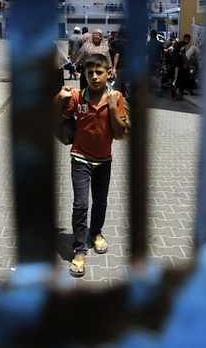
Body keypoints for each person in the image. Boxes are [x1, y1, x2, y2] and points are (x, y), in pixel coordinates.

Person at [54, 54, 128, 277]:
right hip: (80, 158)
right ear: (84, 76)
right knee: (80, 204)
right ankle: (79, 249)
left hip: (104, 160)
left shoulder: (116, 97)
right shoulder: (77, 97)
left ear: (108, 73)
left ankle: (96, 232)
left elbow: (120, 131)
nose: (94, 77)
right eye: (90, 73)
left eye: (99, 72)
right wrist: (60, 97)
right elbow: (57, 120)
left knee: (101, 202)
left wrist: (114, 108)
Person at [108, 28, 128, 98]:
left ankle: (118, 100)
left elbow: (116, 54)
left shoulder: (117, 42)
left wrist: (114, 68)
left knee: (117, 84)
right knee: (127, 84)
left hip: (120, 66)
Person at [170, 33, 191, 100]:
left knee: (184, 77)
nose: (187, 41)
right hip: (177, 65)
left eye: (188, 40)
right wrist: (188, 63)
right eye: (186, 39)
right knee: (175, 80)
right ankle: (174, 96)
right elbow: (183, 55)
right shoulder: (182, 45)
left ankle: (180, 92)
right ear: (183, 39)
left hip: (178, 64)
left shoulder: (180, 45)